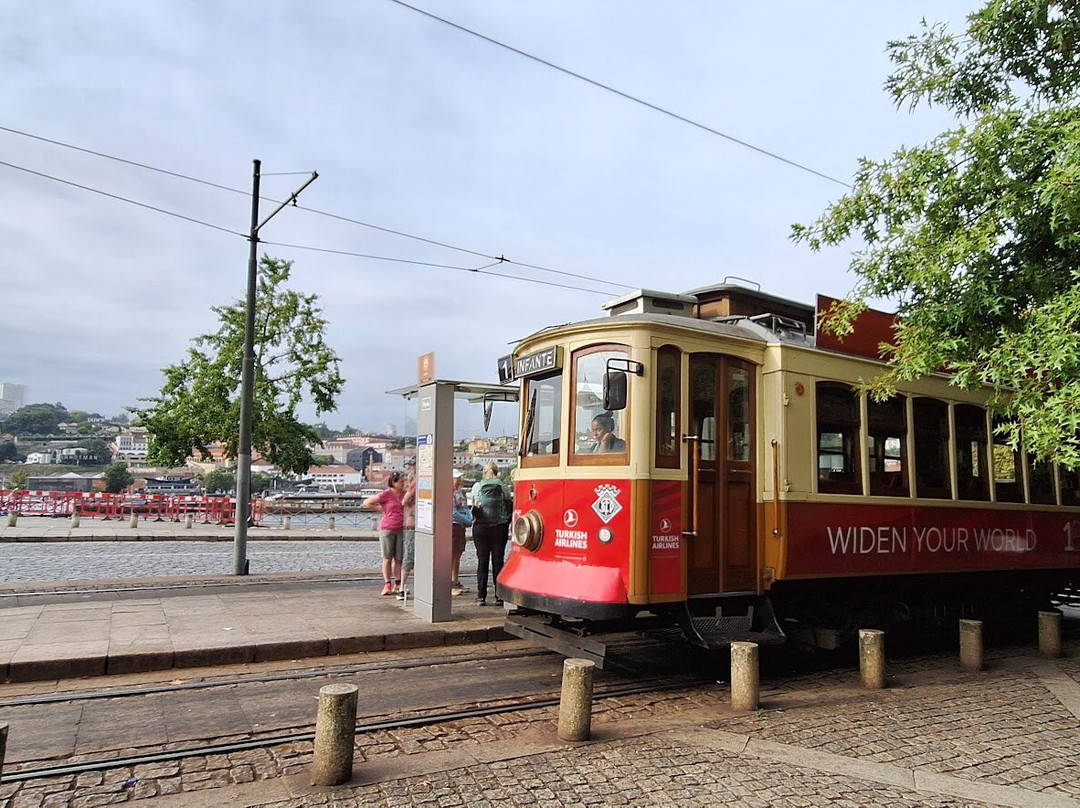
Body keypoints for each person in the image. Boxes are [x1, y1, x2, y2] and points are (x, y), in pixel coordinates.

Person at [470, 462, 512, 606]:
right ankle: (499, 596)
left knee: (482, 561)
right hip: (499, 528)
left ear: (484, 472)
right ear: (497, 472)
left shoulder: (477, 486)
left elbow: (474, 505)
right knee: (498, 561)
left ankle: (481, 596)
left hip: (481, 528)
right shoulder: (503, 486)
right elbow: (508, 503)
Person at [362, 471, 406, 596]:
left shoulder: (404, 494)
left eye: (404, 482)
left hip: (401, 527)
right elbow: (366, 503)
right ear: (393, 482)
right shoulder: (386, 494)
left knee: (399, 558)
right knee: (387, 557)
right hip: (388, 527)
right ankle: (387, 583)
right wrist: (380, 510)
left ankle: (398, 583)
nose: (403, 484)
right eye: (401, 482)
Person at [450, 469, 472, 595]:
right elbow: (453, 512)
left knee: (458, 555)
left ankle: (455, 580)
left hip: (461, 526)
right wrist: (466, 520)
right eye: (457, 478)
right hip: (454, 525)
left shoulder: (461, 493)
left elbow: (465, 508)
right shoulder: (450, 493)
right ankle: (450, 583)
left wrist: (468, 518)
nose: (460, 480)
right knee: (452, 555)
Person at [398, 459, 416, 601]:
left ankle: (402, 586)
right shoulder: (413, 488)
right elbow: (405, 501)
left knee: (409, 556)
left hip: (412, 524)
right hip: (413, 525)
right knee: (409, 556)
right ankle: (401, 587)